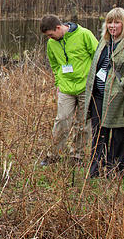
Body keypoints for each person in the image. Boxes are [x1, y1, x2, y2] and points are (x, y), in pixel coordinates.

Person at [82, 8, 124, 177]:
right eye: (110, 22)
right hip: (98, 97)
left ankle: (115, 170)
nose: (112, 26)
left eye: (117, 22)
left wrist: (121, 84)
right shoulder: (104, 42)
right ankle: (95, 169)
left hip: (119, 98)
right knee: (98, 134)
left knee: (118, 135)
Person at [39, 15, 98, 164]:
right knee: (62, 120)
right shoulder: (51, 44)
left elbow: (98, 56)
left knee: (83, 123)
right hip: (66, 88)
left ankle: (76, 156)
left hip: (86, 87)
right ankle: (54, 154)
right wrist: (58, 83)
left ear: (59, 28)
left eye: (51, 35)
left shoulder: (84, 34)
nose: (50, 38)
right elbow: (55, 65)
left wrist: (96, 81)